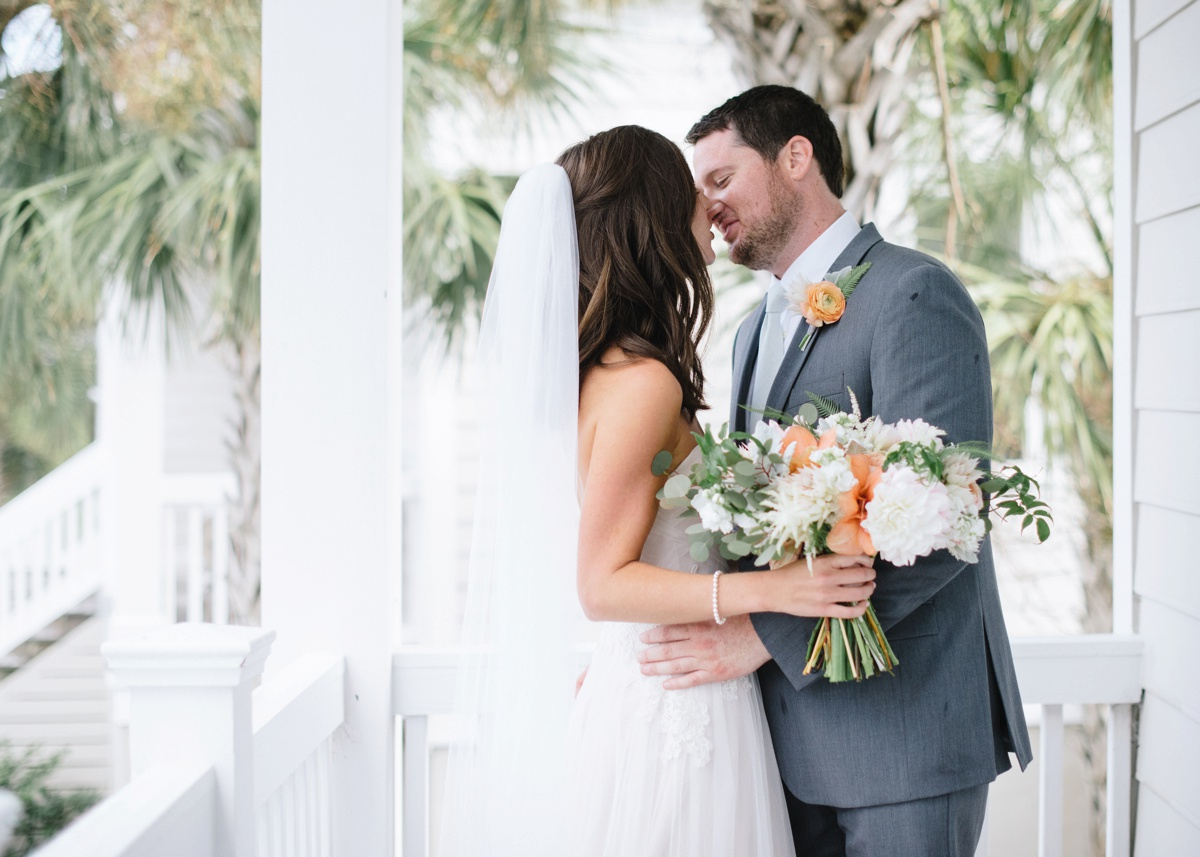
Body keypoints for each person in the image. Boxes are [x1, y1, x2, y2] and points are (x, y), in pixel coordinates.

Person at [440, 125, 876, 857]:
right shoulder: (642, 383)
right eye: (688, 188)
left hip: (666, 686)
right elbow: (602, 584)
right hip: (675, 706)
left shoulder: (612, 371)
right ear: (650, 214)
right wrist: (774, 594)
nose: (706, 205)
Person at [638, 85, 1033, 857]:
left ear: (795, 156)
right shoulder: (753, 330)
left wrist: (764, 636)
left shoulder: (913, 292)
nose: (707, 206)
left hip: (903, 737)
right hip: (786, 747)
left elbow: (946, 517)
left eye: (721, 179)